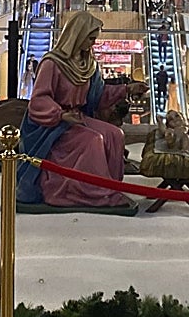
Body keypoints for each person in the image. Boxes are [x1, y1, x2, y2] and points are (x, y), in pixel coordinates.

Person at [17, 12, 148, 207]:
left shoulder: (89, 65)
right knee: (92, 139)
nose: (93, 43)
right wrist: (61, 114)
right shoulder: (52, 63)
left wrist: (126, 89)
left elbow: (98, 96)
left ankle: (110, 187)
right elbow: (39, 99)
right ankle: (92, 193)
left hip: (77, 118)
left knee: (114, 134)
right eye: (91, 38)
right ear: (77, 35)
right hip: (53, 125)